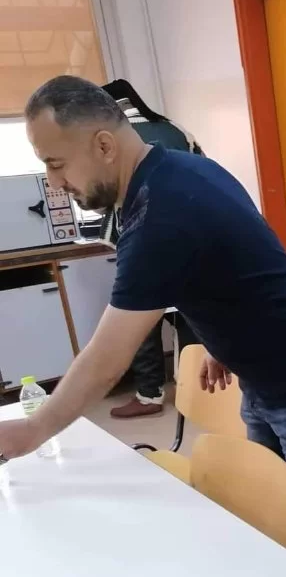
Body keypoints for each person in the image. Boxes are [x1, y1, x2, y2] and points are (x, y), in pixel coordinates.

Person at [0, 76, 286, 577]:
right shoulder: (180, 167)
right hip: (261, 376)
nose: (54, 184)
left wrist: (34, 430)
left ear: (103, 145)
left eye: (56, 164)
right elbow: (242, 259)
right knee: (273, 519)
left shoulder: (160, 214)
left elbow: (107, 359)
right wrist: (220, 340)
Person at [101, 79, 203, 420]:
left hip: (144, 238)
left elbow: (111, 198)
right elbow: (203, 170)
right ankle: (197, 391)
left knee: (139, 318)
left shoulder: (113, 141)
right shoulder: (175, 129)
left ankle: (149, 394)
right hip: (191, 236)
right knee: (190, 313)